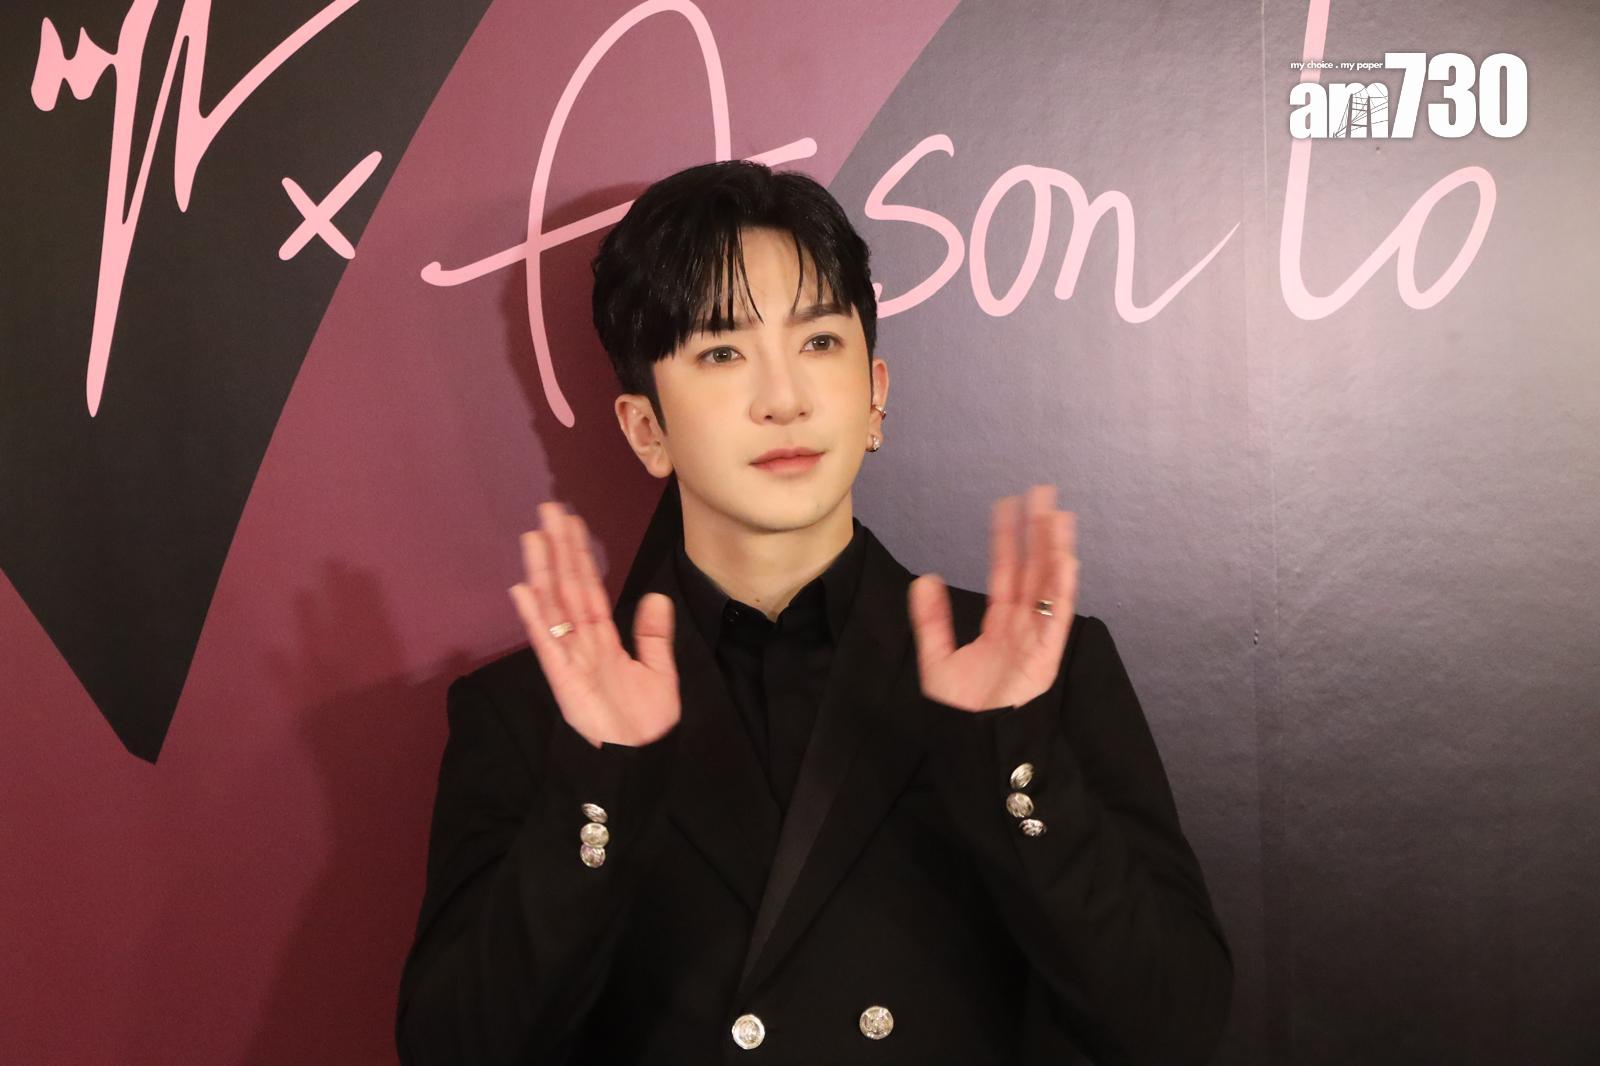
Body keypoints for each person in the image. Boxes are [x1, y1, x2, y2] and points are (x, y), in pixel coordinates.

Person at [394, 160, 1232, 1065]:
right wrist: (601, 778)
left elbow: (1175, 1026)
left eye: (820, 342)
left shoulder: (1038, 668)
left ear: (875, 395)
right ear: (646, 429)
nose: (784, 398)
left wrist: (1009, 753)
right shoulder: (529, 713)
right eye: (722, 353)